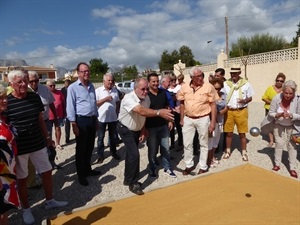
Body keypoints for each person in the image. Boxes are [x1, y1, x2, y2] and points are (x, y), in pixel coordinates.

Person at [5, 70, 68, 225]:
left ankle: (50, 200)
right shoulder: (7, 102)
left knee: (47, 171)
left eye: (25, 80)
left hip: (38, 144)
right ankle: (26, 209)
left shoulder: (34, 97)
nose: (24, 84)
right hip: (20, 148)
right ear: (11, 84)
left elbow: (40, 118)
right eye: (20, 82)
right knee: (22, 179)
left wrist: (47, 137)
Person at [117, 78, 174, 195]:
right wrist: (159, 112)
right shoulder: (128, 98)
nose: (145, 91)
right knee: (134, 155)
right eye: (142, 89)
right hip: (125, 129)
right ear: (135, 89)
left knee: (130, 155)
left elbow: (144, 116)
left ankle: (127, 179)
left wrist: (143, 130)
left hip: (137, 129)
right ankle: (133, 183)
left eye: (146, 89)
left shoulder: (146, 98)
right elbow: (141, 111)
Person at [177, 66, 218, 175]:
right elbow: (181, 103)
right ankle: (189, 165)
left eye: (201, 75)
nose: (200, 78)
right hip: (188, 119)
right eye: (197, 76)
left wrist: (213, 122)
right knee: (187, 143)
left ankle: (203, 166)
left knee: (204, 143)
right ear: (191, 77)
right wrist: (181, 118)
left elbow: (213, 105)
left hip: (203, 118)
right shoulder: (184, 87)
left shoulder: (209, 87)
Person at [66, 62, 100, 186]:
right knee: (81, 148)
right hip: (81, 121)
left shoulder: (91, 86)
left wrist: (96, 119)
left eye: (87, 71)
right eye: (83, 71)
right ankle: (80, 175)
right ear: (78, 73)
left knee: (90, 146)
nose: (86, 73)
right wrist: (73, 124)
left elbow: (93, 103)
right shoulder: (73, 88)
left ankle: (87, 170)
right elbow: (70, 107)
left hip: (91, 119)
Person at [261, 80, 300, 178]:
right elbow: (271, 112)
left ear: (294, 93)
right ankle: (277, 164)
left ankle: (292, 168)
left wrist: (291, 115)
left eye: (291, 93)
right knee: (279, 144)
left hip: (293, 125)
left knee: (292, 146)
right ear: (282, 91)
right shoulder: (276, 98)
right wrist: (278, 114)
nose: (288, 95)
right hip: (278, 124)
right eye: (286, 93)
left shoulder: (298, 99)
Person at [146, 73, 176, 178]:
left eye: (157, 81)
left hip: (164, 125)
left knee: (166, 148)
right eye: (153, 81)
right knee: (152, 149)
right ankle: (152, 168)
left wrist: (170, 120)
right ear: (149, 82)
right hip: (151, 127)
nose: (155, 83)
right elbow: (144, 112)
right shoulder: (146, 95)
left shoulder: (163, 93)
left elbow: (167, 107)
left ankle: (167, 167)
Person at [223, 65, 254, 161]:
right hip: (229, 111)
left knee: (242, 133)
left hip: (241, 111)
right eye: (231, 73)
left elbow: (250, 97)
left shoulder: (246, 84)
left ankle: (244, 152)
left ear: (239, 73)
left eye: (235, 73)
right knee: (229, 132)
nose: (233, 75)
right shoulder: (226, 84)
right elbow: (222, 96)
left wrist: (244, 101)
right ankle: (228, 151)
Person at [0, 84, 21, 225]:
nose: (5, 100)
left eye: (5, 97)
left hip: (7, 174)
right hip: (1, 178)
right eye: (0, 98)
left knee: (4, 210)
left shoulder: (2, 119)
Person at [95, 73, 120, 164]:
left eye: (112, 80)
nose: (110, 82)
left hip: (113, 118)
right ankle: (100, 155)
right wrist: (105, 99)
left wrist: (117, 111)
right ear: (104, 81)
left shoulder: (115, 90)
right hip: (101, 118)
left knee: (113, 137)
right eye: (108, 80)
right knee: (100, 138)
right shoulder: (98, 91)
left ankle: (113, 152)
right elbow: (95, 104)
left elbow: (117, 102)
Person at [261, 73, 286, 147]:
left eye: (281, 81)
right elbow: (264, 97)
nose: (279, 82)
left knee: (279, 124)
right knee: (269, 125)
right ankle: (271, 141)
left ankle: (277, 139)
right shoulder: (270, 88)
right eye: (277, 80)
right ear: (275, 80)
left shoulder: (284, 90)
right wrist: (272, 103)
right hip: (269, 109)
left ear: (283, 82)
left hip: (280, 110)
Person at [207, 78, 227, 168]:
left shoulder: (223, 95)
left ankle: (212, 156)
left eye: (219, 88)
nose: (217, 90)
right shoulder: (209, 96)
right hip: (211, 121)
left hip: (220, 120)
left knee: (216, 140)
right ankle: (209, 159)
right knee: (210, 140)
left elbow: (226, 107)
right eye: (215, 88)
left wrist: (219, 113)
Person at [46, 79, 66, 150]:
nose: (53, 87)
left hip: (58, 115)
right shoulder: (45, 93)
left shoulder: (59, 92)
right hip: (48, 116)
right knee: (48, 131)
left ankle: (58, 143)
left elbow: (63, 103)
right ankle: (50, 144)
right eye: (50, 85)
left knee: (58, 129)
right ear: (47, 86)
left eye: (54, 85)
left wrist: (65, 112)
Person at [168, 74, 183, 150]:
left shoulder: (179, 87)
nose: (174, 82)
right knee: (171, 128)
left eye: (175, 80)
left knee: (179, 127)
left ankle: (180, 143)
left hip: (178, 110)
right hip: (171, 111)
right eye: (172, 80)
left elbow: (181, 98)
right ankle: (172, 143)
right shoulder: (168, 89)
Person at [61, 78, 71, 144]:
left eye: (68, 83)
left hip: (72, 108)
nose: (66, 84)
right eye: (65, 83)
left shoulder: (72, 89)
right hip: (66, 109)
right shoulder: (62, 90)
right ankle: (67, 138)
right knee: (67, 125)